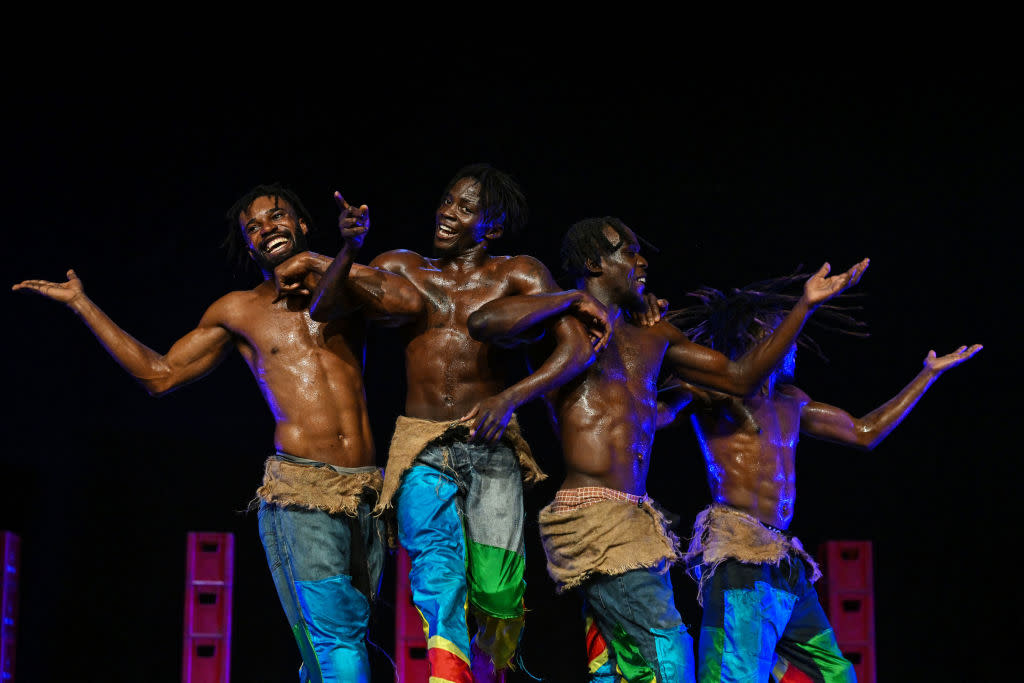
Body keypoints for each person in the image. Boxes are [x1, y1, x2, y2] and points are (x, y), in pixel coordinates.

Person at [13, 183, 393, 683]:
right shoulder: (240, 310)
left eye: (276, 217)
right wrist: (83, 304)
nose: (266, 229)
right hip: (302, 491)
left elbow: (406, 301)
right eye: (252, 228)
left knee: (343, 642)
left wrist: (347, 248)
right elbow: (160, 374)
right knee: (336, 639)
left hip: (367, 490)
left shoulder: (345, 288)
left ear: (301, 224)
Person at [465, 216, 870, 683]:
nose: (642, 261)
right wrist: (571, 297)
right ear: (594, 263)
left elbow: (740, 378)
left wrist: (804, 306)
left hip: (638, 524)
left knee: (620, 668)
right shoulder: (563, 324)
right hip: (592, 517)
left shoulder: (654, 336)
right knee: (669, 658)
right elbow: (483, 322)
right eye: (628, 251)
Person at [285, 163, 605, 682]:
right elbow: (324, 307)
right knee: (438, 578)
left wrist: (511, 397)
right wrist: (348, 249)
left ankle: (489, 668)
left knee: (500, 593)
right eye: (447, 201)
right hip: (421, 448)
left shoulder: (518, 273)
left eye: (465, 208)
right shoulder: (404, 267)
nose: (447, 214)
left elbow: (576, 350)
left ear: (492, 227)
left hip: (493, 445)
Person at [662, 272, 982, 682]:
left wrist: (926, 376)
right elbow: (663, 402)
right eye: (778, 334)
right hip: (739, 556)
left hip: (784, 562)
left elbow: (864, 432)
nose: (790, 343)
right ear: (755, 339)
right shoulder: (717, 395)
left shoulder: (792, 402)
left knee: (836, 676)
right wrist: (805, 305)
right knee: (733, 674)